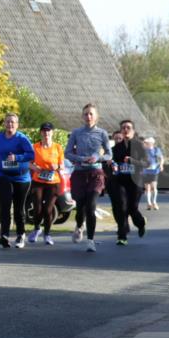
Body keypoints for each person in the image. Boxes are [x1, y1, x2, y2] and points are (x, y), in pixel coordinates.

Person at [64, 103, 111, 253]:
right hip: (79, 174)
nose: (88, 117)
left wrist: (97, 157)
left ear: (96, 116)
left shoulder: (102, 133)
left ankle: (90, 240)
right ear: (82, 116)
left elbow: (110, 154)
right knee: (80, 209)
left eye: (91, 114)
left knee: (91, 206)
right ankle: (79, 226)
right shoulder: (76, 133)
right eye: (86, 114)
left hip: (96, 173)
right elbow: (67, 153)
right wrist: (81, 158)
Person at [0, 113, 34, 248]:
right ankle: (4, 235)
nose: (10, 125)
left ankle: (20, 235)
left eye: (13, 122)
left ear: (17, 125)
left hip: (21, 178)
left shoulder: (22, 139)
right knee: (5, 205)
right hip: (3, 175)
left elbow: (31, 154)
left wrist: (17, 158)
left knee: (19, 208)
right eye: (7, 122)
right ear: (4, 124)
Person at [109, 119, 147, 245]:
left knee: (132, 208)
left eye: (128, 128)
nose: (125, 130)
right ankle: (122, 236)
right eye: (123, 128)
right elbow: (112, 163)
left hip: (136, 181)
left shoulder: (139, 145)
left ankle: (140, 223)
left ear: (133, 131)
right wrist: (111, 165)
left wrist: (132, 160)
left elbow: (146, 163)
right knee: (121, 207)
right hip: (120, 181)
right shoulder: (116, 148)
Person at [28, 122, 64, 246]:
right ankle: (37, 228)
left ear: (52, 133)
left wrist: (57, 166)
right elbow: (29, 163)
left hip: (53, 182)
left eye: (48, 131)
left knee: (48, 209)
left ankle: (47, 234)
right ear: (41, 133)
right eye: (44, 131)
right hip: (38, 181)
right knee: (37, 207)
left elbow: (62, 166)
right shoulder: (35, 147)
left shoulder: (58, 147)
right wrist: (34, 168)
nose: (46, 133)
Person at [141, 136, 164, 210]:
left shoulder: (156, 150)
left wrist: (161, 165)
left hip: (154, 171)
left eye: (147, 143)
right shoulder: (143, 151)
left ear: (152, 143)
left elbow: (161, 158)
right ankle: (149, 203)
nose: (145, 144)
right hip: (145, 171)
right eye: (145, 143)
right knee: (147, 188)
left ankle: (154, 202)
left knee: (154, 187)